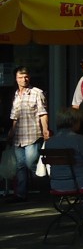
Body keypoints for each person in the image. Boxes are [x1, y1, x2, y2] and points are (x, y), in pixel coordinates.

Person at [5, 66, 49, 203]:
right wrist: (11, 133)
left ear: (29, 77)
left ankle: (48, 189)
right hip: (18, 137)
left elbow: (43, 113)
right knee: (20, 166)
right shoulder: (16, 95)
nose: (24, 79)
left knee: (32, 164)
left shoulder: (37, 93)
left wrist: (46, 130)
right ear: (16, 79)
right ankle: (21, 194)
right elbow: (15, 118)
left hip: (33, 135)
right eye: (20, 77)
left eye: (26, 76)